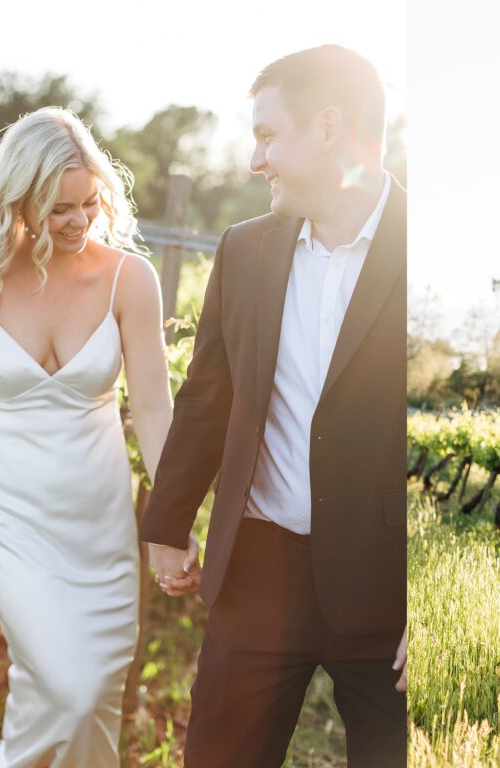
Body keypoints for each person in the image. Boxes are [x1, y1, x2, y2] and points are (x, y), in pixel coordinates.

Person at [138, 45, 407, 766]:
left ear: (327, 129)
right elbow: (207, 396)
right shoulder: (245, 249)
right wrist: (167, 522)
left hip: (389, 591)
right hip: (257, 574)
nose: (256, 160)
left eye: (266, 135)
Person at [0, 107, 195, 767]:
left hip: (99, 529)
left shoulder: (131, 279)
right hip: (9, 519)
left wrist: (172, 517)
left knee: (89, 696)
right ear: (17, 202)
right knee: (65, 690)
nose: (79, 221)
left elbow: (155, 410)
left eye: (90, 202)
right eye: (57, 210)